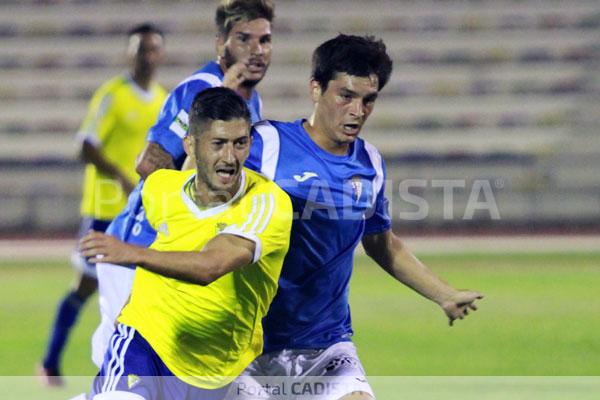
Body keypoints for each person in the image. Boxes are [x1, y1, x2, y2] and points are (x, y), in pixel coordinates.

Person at [225, 34, 484, 400]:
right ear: (316, 89)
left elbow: (382, 243)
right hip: (246, 347)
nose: (357, 111)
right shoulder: (267, 144)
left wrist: (444, 294)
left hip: (327, 346)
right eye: (345, 96)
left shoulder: (370, 164)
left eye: (368, 100)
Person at [91, 0, 274, 368]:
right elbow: (151, 163)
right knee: (130, 369)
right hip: (139, 249)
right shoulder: (202, 89)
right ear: (220, 43)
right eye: (244, 39)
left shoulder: (248, 100)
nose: (257, 51)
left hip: (177, 253)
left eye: (265, 40)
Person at [80, 87, 293, 400]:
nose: (230, 157)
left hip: (223, 369)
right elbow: (134, 241)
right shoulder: (159, 189)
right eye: (218, 144)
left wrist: (133, 253)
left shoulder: (267, 203)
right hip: (146, 344)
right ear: (190, 146)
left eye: (240, 143)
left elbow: (211, 266)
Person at [38, 23, 166, 387]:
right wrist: (123, 178)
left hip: (139, 215)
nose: (147, 56)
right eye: (141, 49)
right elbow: (85, 145)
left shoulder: (161, 99)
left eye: (153, 49)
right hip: (104, 209)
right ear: (129, 54)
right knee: (85, 287)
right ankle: (50, 362)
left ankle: (132, 372)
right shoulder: (113, 94)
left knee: (138, 293)